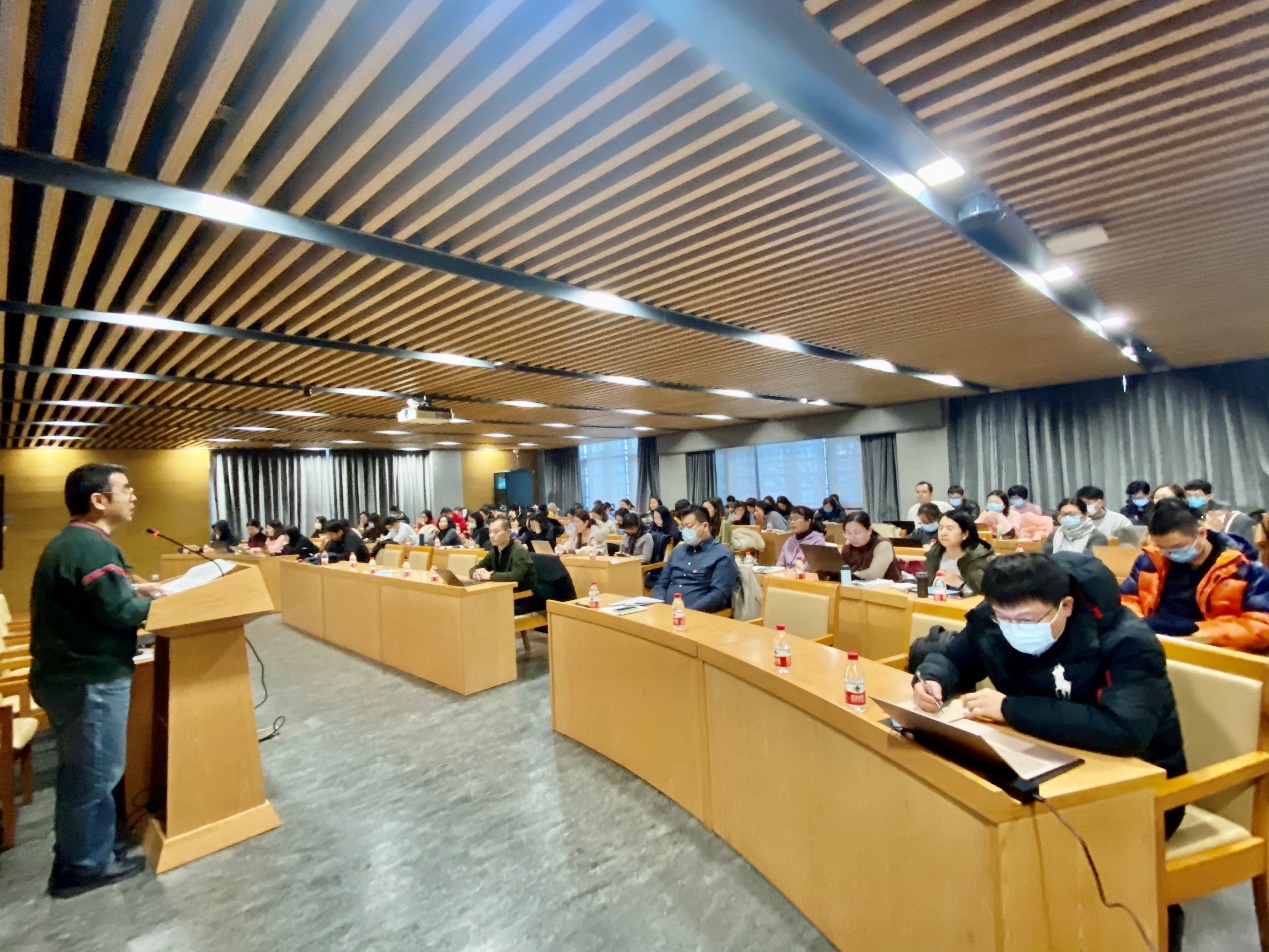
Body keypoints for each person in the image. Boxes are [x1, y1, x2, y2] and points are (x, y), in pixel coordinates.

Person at [912, 552, 1187, 839]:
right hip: (1039, 762)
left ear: (1065, 606)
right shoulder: (992, 618)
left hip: (1138, 790)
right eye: (1003, 618)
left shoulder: (1126, 641)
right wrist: (933, 679)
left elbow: (1125, 730)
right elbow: (954, 658)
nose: (1013, 629)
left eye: (1026, 620)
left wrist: (1009, 709)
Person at [30, 463, 167, 897]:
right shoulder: (91, 547)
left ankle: (89, 849)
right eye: (125, 489)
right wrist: (172, 602)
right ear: (99, 500)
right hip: (88, 678)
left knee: (85, 770)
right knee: (93, 774)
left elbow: (98, 600)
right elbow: (118, 613)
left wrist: (137, 591)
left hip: (69, 675)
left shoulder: (77, 542)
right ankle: (82, 865)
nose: (133, 496)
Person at [1121, 500, 1269, 649]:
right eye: (1163, 549)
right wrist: (1140, 624)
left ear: (1202, 534)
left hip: (1210, 649)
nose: (1171, 554)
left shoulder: (1243, 569)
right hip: (1152, 641)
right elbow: (1126, 598)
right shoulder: (1151, 561)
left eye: (1178, 547)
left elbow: (1261, 626)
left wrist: (1196, 630)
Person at [652, 506, 739, 613]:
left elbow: (719, 594)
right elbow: (661, 583)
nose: (685, 531)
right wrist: (659, 605)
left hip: (697, 614)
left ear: (705, 526)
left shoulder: (722, 555)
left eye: (689, 526)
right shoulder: (677, 551)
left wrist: (687, 612)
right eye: (682, 527)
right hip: (666, 611)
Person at [470, 517, 539, 611]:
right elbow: (475, 568)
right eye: (490, 532)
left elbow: (516, 575)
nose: (491, 535)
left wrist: (490, 576)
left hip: (524, 598)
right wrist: (475, 573)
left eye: (496, 531)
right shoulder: (494, 551)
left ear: (508, 532)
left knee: (485, 610)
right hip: (505, 595)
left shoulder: (519, 551)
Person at [924, 509, 996, 593]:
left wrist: (959, 584)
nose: (943, 533)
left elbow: (988, 593)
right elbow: (927, 585)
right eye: (940, 528)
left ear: (965, 534)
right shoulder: (934, 555)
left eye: (950, 529)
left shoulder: (979, 558)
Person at [841, 512, 901, 581]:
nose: (852, 537)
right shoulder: (848, 547)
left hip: (887, 586)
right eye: (848, 533)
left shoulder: (883, 544)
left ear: (869, 530)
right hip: (855, 585)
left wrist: (847, 575)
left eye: (857, 532)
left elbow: (875, 574)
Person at [1043, 498, 1108, 554]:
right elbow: (1046, 558)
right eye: (1064, 514)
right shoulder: (1053, 535)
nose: (1067, 517)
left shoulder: (1096, 537)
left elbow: (1092, 561)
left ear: (1084, 515)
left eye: (1072, 514)